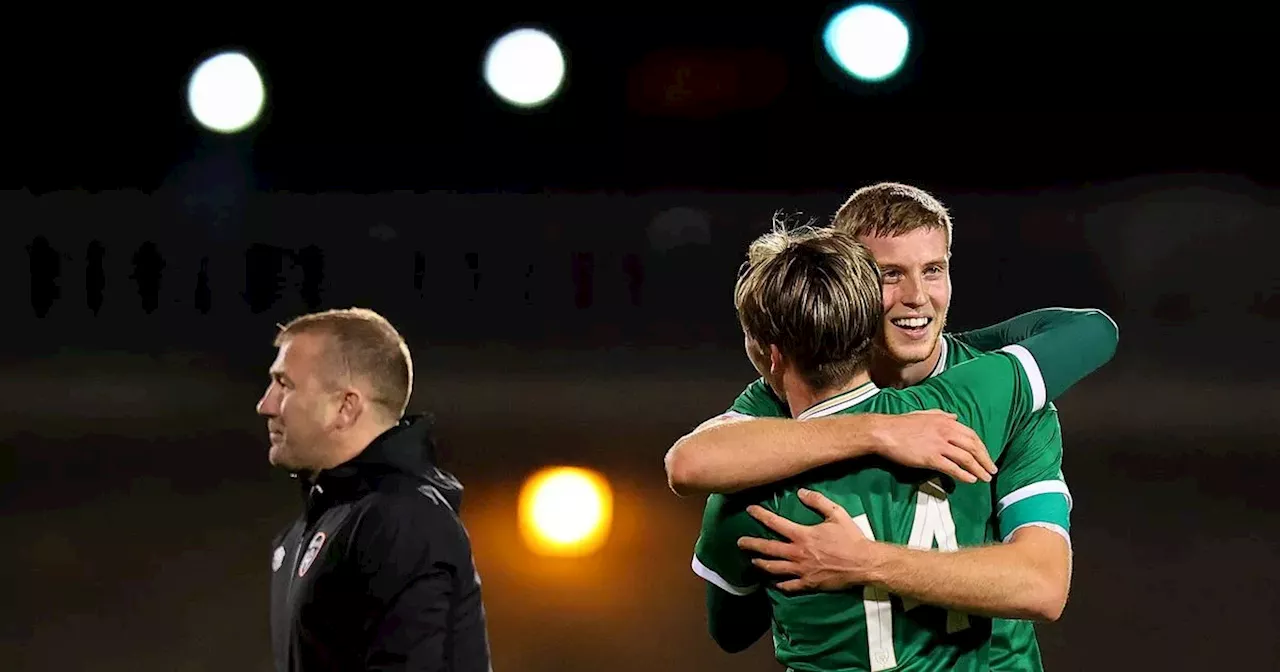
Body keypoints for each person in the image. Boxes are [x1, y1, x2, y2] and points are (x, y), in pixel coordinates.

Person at [667, 183, 1092, 669]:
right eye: (890, 274)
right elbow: (688, 462)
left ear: (771, 351)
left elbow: (730, 630)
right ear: (853, 285)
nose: (916, 297)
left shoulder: (752, 478)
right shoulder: (987, 399)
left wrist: (862, 562)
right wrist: (879, 431)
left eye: (933, 270)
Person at [257, 307, 492, 672]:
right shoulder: (312, 531)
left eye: (284, 384)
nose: (265, 405)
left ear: (345, 408)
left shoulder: (403, 519)